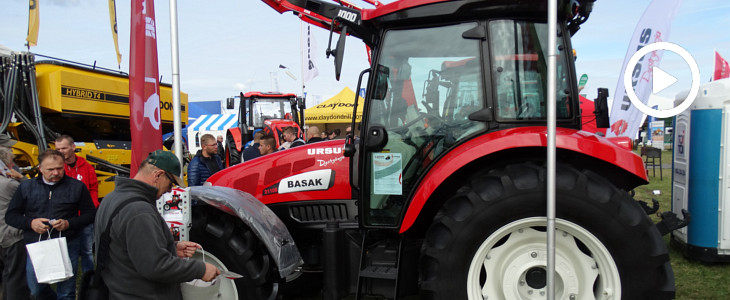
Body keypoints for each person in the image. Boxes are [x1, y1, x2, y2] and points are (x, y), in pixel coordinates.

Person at [94, 150, 220, 299]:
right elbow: (155, 266)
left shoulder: (111, 198)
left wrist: (170, 247)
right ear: (158, 175)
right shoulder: (139, 211)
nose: (169, 190)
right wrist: (200, 270)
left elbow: (126, 248)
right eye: (170, 183)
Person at [5, 149, 96, 300]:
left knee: (66, 292)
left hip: (67, 243)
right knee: (36, 290)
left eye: (59, 168)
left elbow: (90, 214)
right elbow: (11, 216)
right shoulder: (27, 187)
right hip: (37, 244)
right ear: (40, 168)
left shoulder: (77, 187)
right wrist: (31, 223)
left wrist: (69, 223)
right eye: (50, 169)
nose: (56, 173)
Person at [54, 135, 99, 276]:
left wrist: (91, 207)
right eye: (58, 149)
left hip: (85, 217)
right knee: (66, 251)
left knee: (87, 251)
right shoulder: (57, 169)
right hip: (66, 219)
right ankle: (68, 277)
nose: (61, 151)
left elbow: (93, 188)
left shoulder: (86, 167)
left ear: (73, 147)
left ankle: (89, 280)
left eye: (64, 148)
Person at [0, 147, 30, 300]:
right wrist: (21, 177)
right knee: (15, 278)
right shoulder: (9, 185)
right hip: (12, 235)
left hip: (2, 236)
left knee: (7, 276)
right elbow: (32, 192)